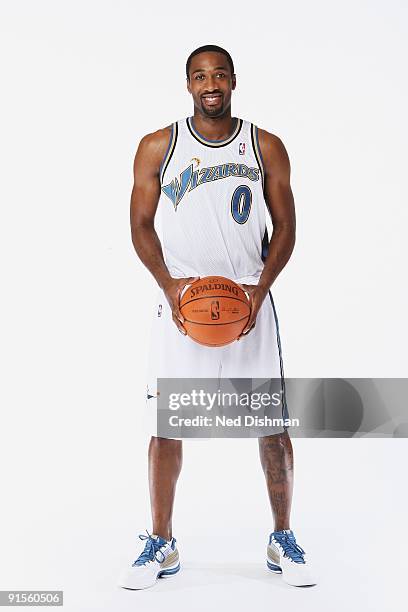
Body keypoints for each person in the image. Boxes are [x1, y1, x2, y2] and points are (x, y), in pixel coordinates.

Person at [119, 44, 316, 590]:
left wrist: (259, 291)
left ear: (234, 81)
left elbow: (286, 229)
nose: (211, 84)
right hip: (182, 306)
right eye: (200, 76)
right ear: (188, 85)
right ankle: (161, 541)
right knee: (167, 426)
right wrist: (170, 287)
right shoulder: (158, 146)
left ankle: (282, 536)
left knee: (272, 427)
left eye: (220, 74)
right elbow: (140, 224)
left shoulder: (266, 146)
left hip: (249, 304)